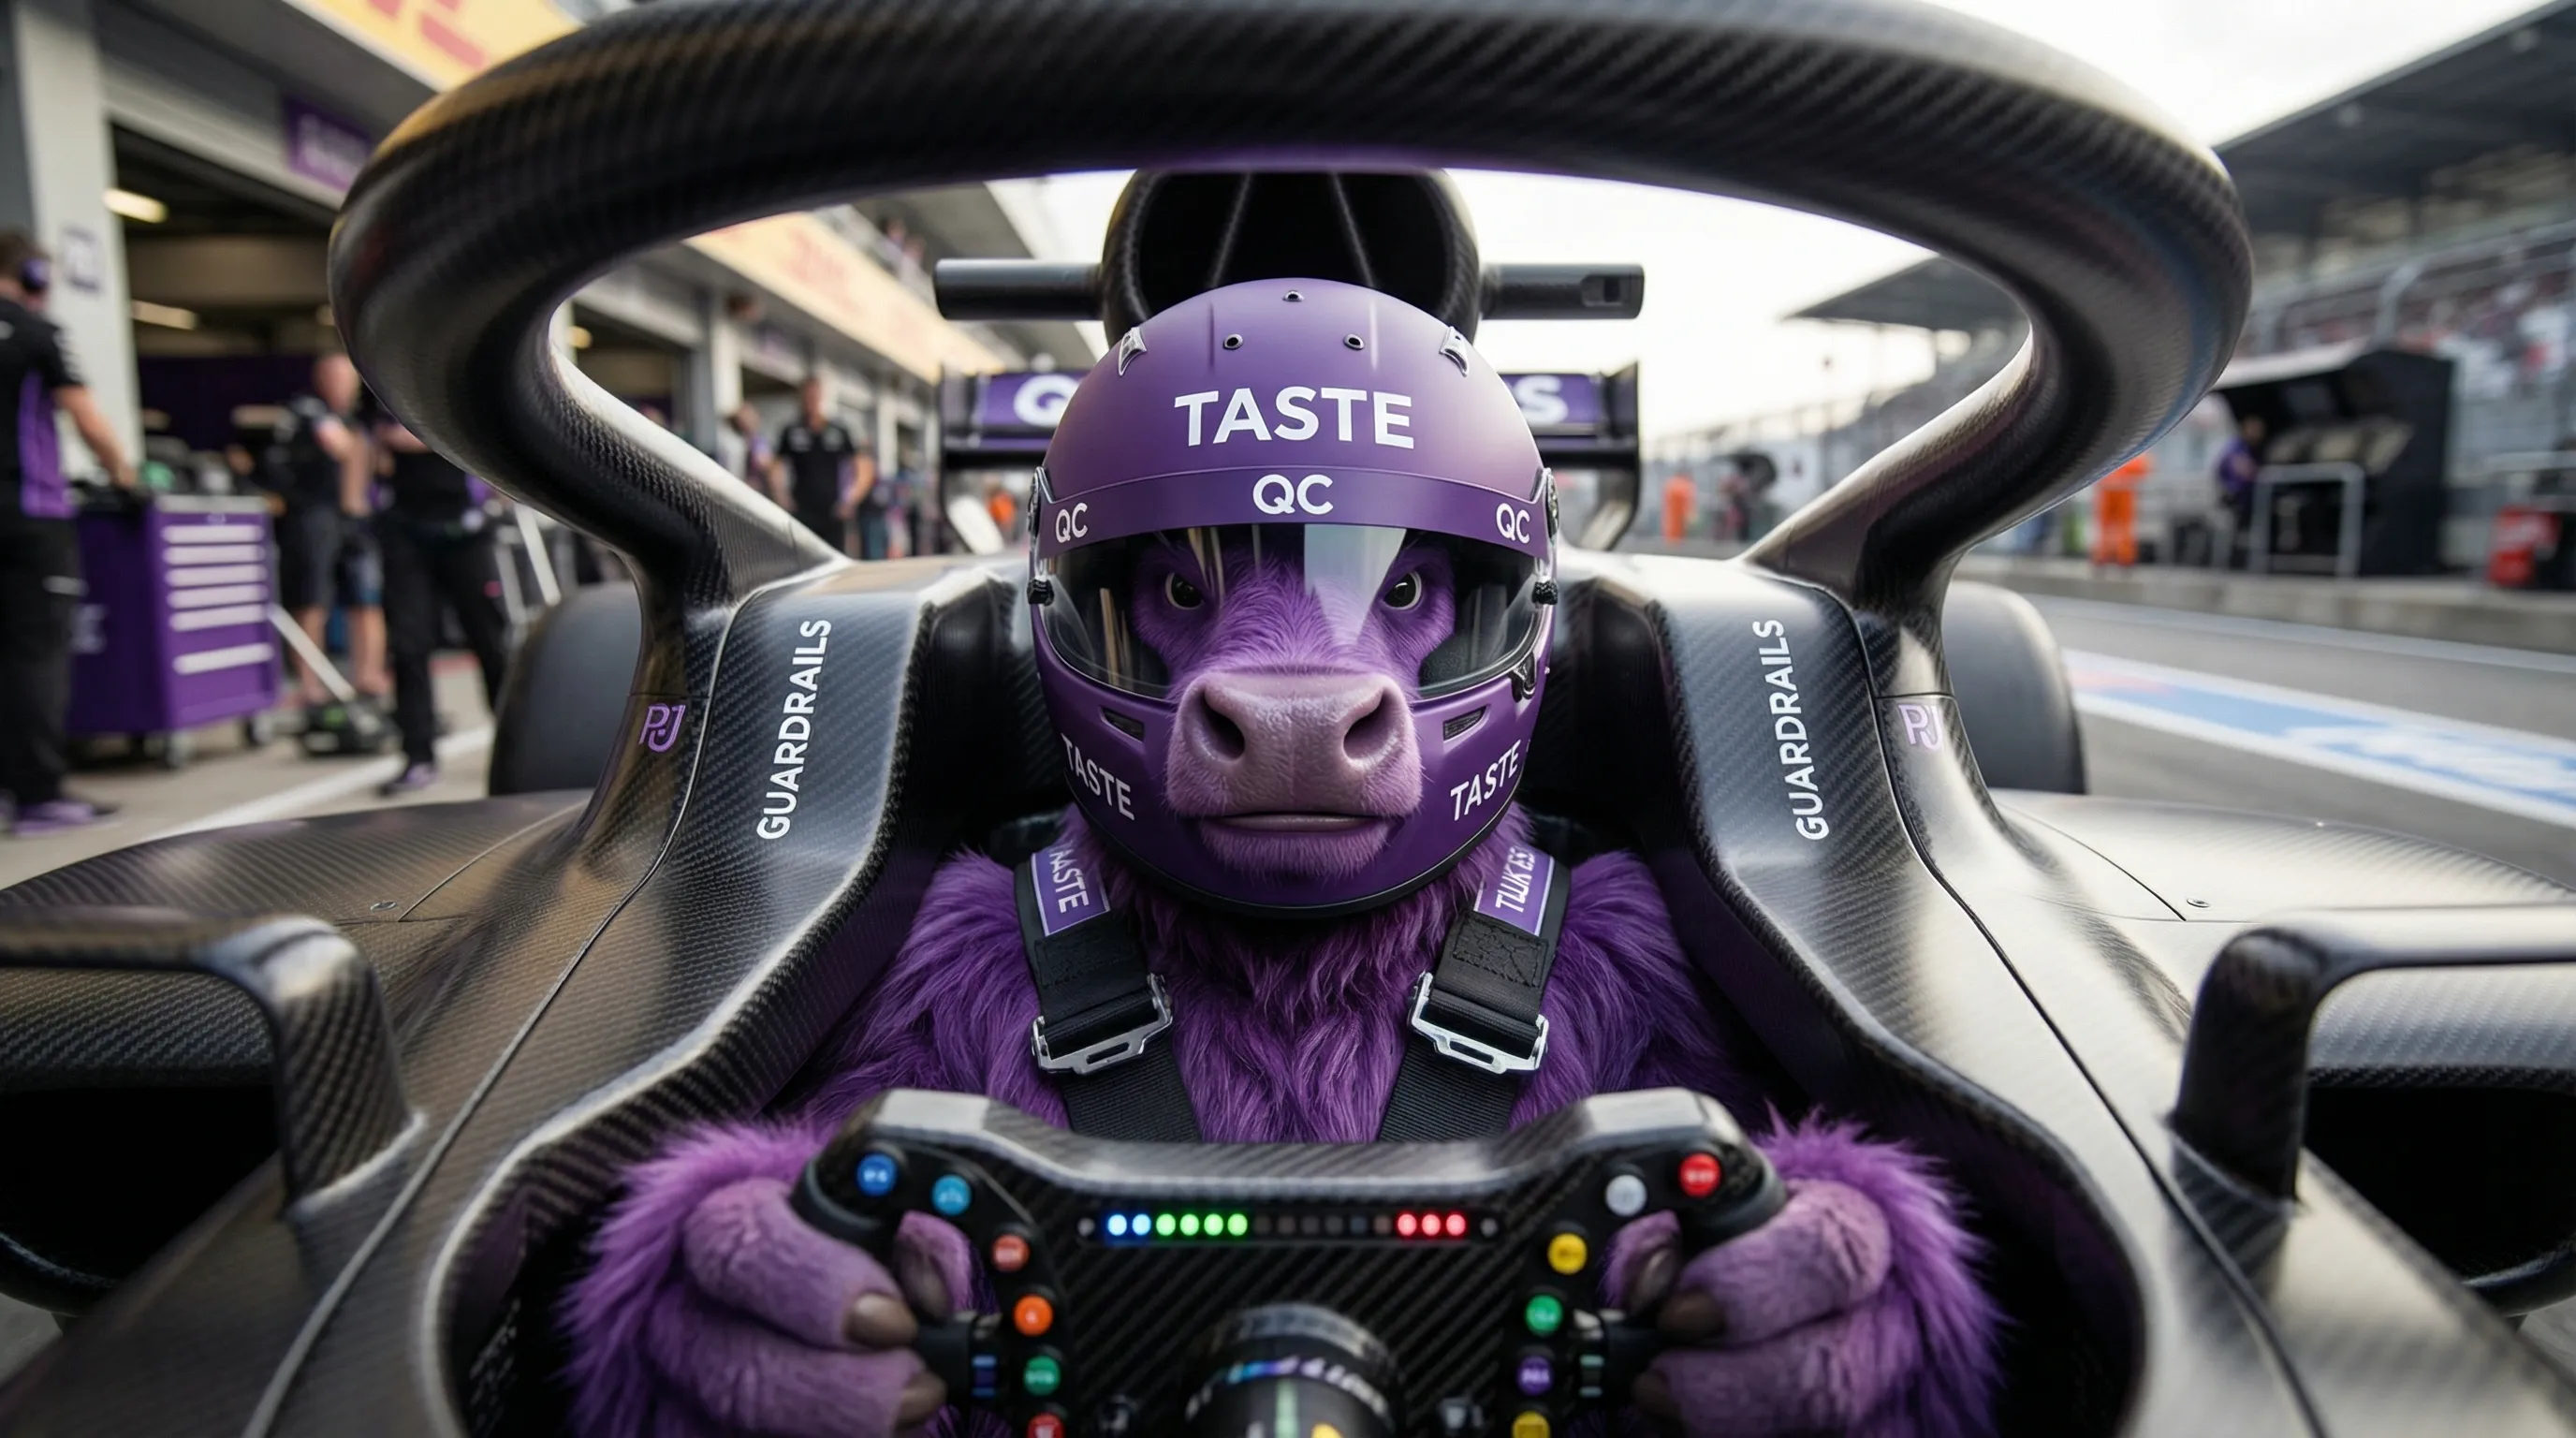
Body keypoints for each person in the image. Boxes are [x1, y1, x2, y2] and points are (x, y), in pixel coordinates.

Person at [564, 280, 1997, 1438]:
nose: (1302, 675)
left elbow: (1787, 1245)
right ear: (1078, 611)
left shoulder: (1631, 950)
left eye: (1404, 584)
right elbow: (823, 1232)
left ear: (1503, 615)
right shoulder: (957, 953)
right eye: (1181, 586)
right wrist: (730, 1301)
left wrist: (1848, 1301)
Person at [0, 230, 136, 836]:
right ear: (31, 274)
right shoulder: (36, 332)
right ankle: (38, 795)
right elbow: (85, 417)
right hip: (31, 517)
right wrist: (125, 476)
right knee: (35, 655)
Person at [371, 415, 511, 796]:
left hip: (465, 530)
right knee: (408, 646)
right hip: (406, 531)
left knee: (490, 641)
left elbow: (477, 436)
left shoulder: (452, 394)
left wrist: (425, 434)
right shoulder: (385, 394)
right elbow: (376, 443)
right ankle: (418, 756)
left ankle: (515, 744)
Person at [256, 355, 387, 706]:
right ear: (321, 379)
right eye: (334, 378)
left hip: (355, 518)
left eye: (347, 379)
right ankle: (309, 683)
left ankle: (368, 676)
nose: (341, 386)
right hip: (315, 514)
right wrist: (368, 450)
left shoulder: (356, 418)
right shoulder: (309, 409)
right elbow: (342, 447)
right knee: (313, 599)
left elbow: (379, 461)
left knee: (367, 598)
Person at [769, 377, 860, 554]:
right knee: (803, 558)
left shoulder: (838, 430)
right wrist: (781, 497)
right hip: (802, 510)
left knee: (835, 558)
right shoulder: (791, 431)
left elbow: (862, 466)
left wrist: (850, 499)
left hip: (833, 511)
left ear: (821, 397)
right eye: (807, 396)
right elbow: (776, 466)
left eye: (814, 396)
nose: (810, 401)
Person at [2215, 412, 2264, 568]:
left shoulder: (2251, 449)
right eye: (2254, 429)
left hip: (2247, 498)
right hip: (2234, 497)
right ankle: (2231, 562)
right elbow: (2241, 469)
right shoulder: (2235, 446)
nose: (2257, 433)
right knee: (2234, 532)